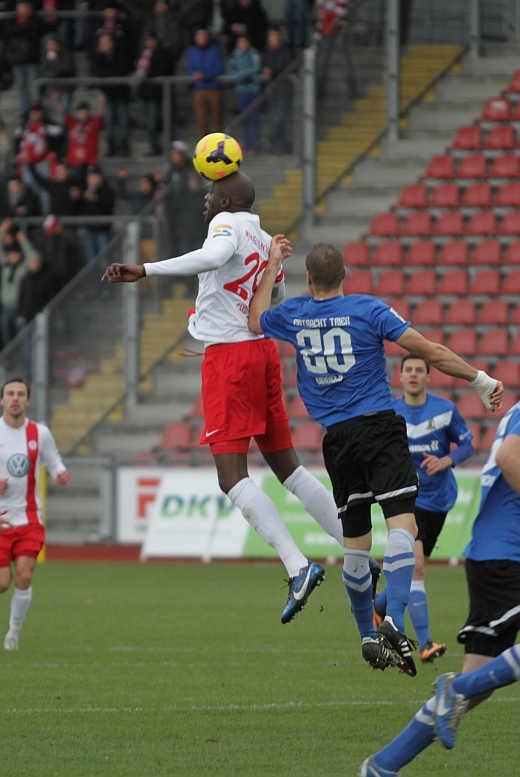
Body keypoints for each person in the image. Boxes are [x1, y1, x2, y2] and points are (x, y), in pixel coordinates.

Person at [101, 172, 348, 625]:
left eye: (212, 193)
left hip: (230, 360)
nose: (206, 199)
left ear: (227, 201)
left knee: (231, 476)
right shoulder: (262, 237)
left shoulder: (227, 225)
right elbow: (276, 297)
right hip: (261, 352)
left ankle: (298, 566)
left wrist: (145, 269)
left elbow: (213, 256)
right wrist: (272, 268)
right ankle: (357, 554)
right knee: (289, 468)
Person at [248, 242, 503, 674]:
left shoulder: (294, 314)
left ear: (308, 279)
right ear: (344, 274)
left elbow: (255, 319)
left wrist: (272, 266)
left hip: (337, 440)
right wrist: (479, 380)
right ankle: (394, 619)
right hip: (379, 429)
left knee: (355, 544)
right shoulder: (368, 309)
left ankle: (366, 632)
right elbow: (431, 352)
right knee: (403, 525)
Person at [358, 398, 520, 777]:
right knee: (467, 688)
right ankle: (456, 688)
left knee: (478, 683)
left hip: (496, 553)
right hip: (506, 553)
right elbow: (509, 456)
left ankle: (383, 764)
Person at [373, 353, 474, 664]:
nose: (414, 374)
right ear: (400, 376)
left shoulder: (445, 410)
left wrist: (446, 461)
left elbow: (468, 444)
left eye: (419, 370)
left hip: (439, 501)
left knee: (413, 568)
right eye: (409, 370)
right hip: (406, 498)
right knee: (416, 567)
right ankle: (425, 642)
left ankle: (378, 605)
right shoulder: (390, 412)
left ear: (429, 376)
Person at [0, 377, 70, 650]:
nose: (15, 398)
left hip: (29, 518)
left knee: (25, 576)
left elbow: (53, 459)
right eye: (10, 394)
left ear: (28, 401)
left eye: (20, 394)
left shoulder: (39, 433)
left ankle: (13, 634)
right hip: (1, 520)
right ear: (2, 400)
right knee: (2, 583)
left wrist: (60, 471)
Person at [92, 33, 131, 157]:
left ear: (111, 43)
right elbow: (100, 74)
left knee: (123, 122)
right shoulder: (98, 57)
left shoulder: (120, 54)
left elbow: (121, 70)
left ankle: (124, 147)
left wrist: (109, 74)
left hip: (121, 94)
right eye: (101, 42)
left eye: (105, 42)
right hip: (108, 95)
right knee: (108, 123)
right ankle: (111, 147)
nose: (103, 45)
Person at [135, 32, 173, 157]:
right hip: (144, 93)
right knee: (149, 123)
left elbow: (162, 70)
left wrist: (148, 75)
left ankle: (158, 146)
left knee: (152, 123)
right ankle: (154, 146)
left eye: (151, 40)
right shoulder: (144, 54)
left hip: (154, 94)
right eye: (147, 40)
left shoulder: (162, 53)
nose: (148, 43)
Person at [314, 0, 361, 101]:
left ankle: (353, 91)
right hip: (326, 33)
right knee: (322, 64)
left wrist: (328, 29)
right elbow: (320, 13)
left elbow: (340, 14)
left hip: (337, 33)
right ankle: (319, 93)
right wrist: (320, 31)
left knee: (345, 62)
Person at [4, 1, 44, 113]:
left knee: (33, 85)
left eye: (26, 9)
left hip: (32, 58)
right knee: (21, 85)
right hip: (17, 59)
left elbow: (34, 32)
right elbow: (10, 32)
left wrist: (21, 29)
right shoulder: (12, 20)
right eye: (21, 9)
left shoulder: (35, 20)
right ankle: (25, 110)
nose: (24, 12)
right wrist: (23, 27)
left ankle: (35, 108)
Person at [70, 165, 115, 261]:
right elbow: (77, 208)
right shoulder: (85, 191)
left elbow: (108, 207)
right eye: (90, 177)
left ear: (100, 177)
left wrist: (96, 199)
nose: (91, 179)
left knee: (104, 259)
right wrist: (75, 198)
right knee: (91, 259)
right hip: (90, 230)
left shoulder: (107, 191)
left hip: (102, 230)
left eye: (94, 176)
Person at [186, 29, 224, 137]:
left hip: (214, 88)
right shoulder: (192, 51)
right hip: (200, 89)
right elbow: (189, 68)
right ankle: (205, 142)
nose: (202, 38)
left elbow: (219, 68)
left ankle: (218, 143)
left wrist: (205, 75)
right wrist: (194, 74)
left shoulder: (215, 50)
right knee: (201, 120)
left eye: (204, 36)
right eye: (199, 36)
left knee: (217, 119)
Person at [228, 35, 261, 154]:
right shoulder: (235, 55)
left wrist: (241, 75)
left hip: (253, 90)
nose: (243, 44)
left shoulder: (253, 53)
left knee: (254, 119)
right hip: (241, 91)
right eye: (241, 42)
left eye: (245, 42)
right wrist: (242, 76)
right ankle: (246, 146)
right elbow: (231, 71)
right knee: (244, 119)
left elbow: (256, 68)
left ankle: (254, 146)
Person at [262, 27, 292, 154]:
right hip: (271, 88)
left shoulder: (285, 52)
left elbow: (288, 67)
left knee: (279, 118)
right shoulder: (267, 52)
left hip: (283, 88)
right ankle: (284, 145)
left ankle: (271, 139)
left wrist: (272, 70)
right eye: (271, 36)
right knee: (275, 118)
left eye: (275, 36)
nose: (273, 39)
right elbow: (263, 65)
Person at [40, 37, 76, 113]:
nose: (51, 47)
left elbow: (67, 69)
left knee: (64, 112)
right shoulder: (46, 56)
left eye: (52, 44)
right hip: (53, 89)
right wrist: (51, 88)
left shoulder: (66, 54)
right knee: (56, 112)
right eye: (49, 45)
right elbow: (45, 71)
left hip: (66, 88)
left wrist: (54, 72)